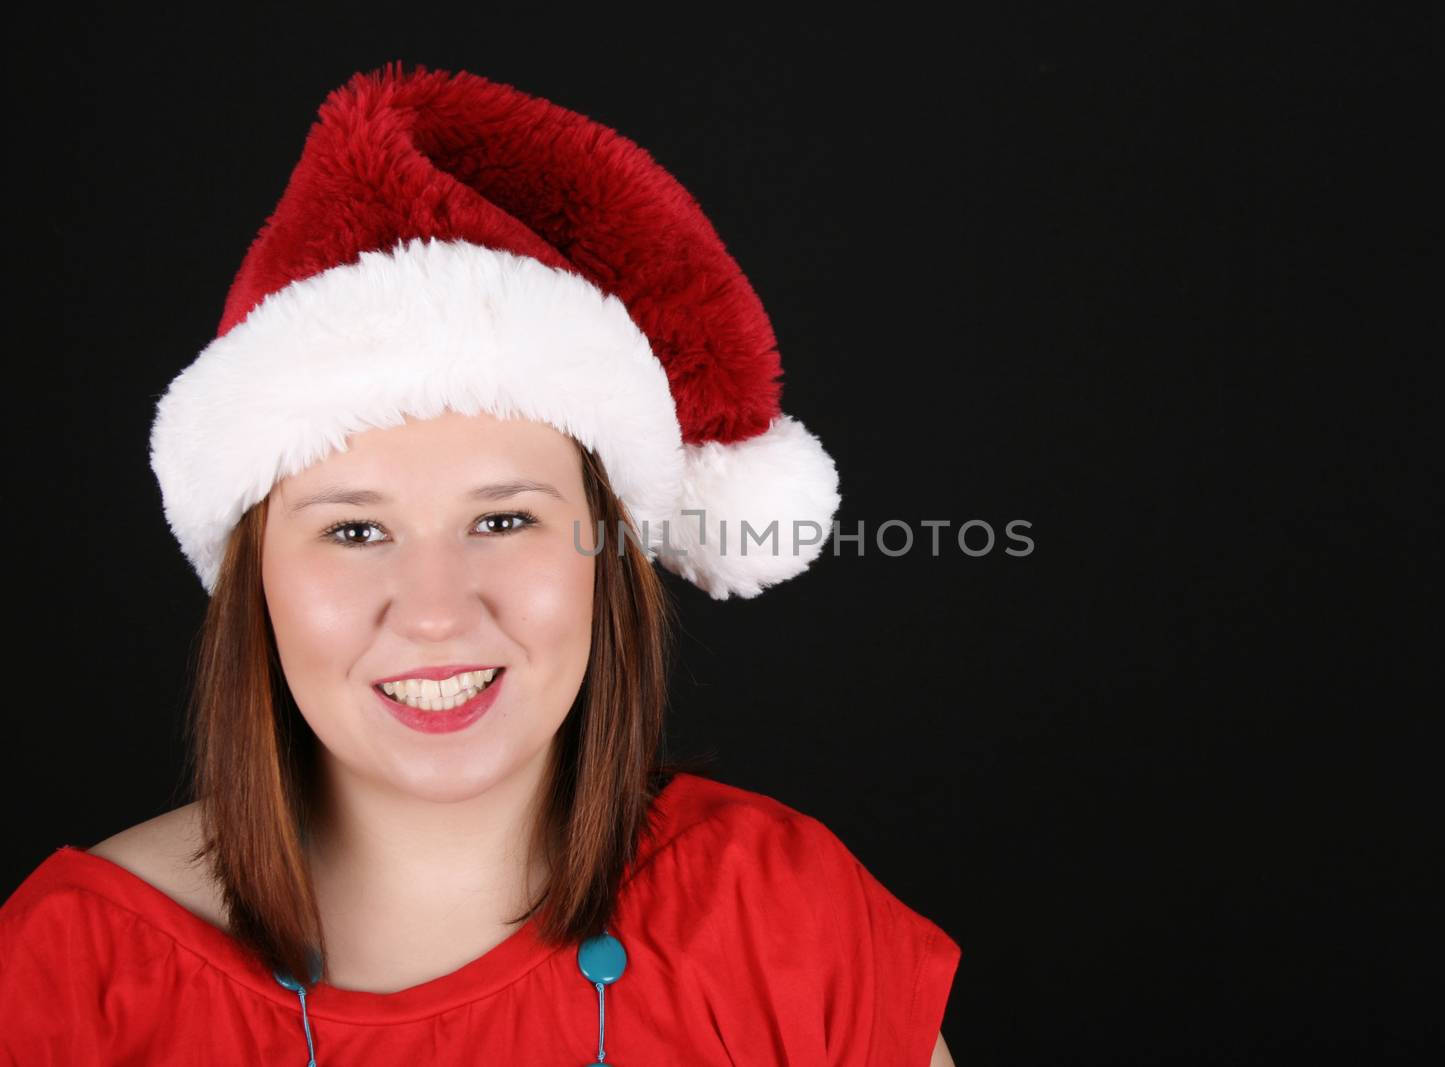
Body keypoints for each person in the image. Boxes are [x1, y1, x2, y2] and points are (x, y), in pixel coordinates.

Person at [0, 61, 960, 1065]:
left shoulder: (782, 916)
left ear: (608, 558)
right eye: (354, 530)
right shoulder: (69, 974)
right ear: (258, 584)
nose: (434, 611)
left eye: (502, 520)